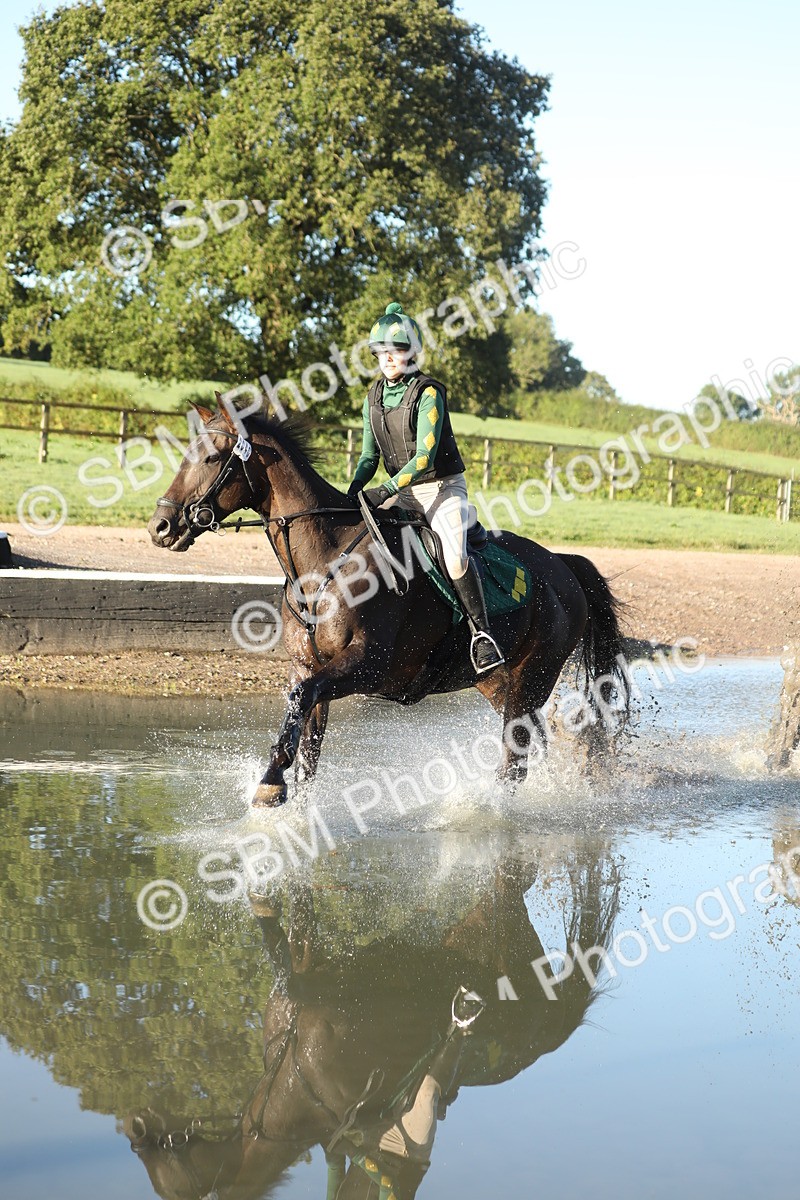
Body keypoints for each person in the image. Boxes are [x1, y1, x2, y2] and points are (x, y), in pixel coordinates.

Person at [347, 301, 504, 674]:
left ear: (412, 354)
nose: (388, 358)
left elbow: (423, 458)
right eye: (381, 352)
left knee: (454, 558)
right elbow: (369, 457)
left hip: (440, 489)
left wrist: (382, 491)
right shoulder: (372, 397)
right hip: (399, 492)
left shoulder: (428, 392)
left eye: (396, 351)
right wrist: (354, 491)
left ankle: (482, 637)